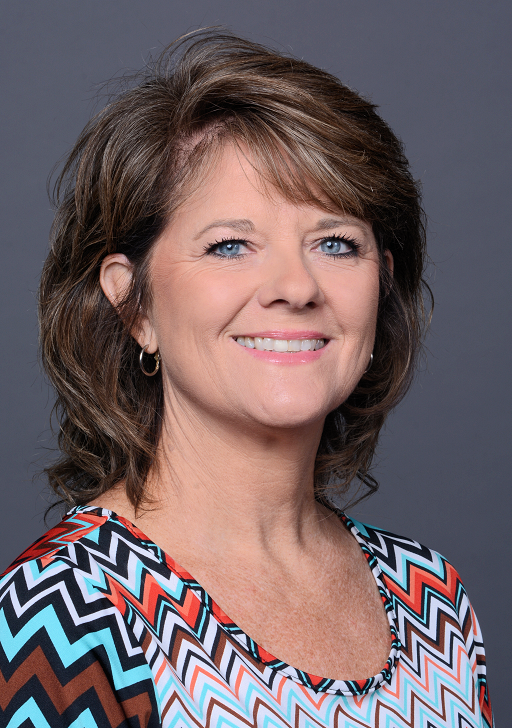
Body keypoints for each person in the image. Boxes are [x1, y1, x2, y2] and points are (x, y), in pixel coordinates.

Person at [0, 30, 493, 728]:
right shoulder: (64, 613)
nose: (296, 286)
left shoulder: (432, 598)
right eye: (230, 245)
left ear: (381, 285)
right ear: (133, 304)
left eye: (335, 243)